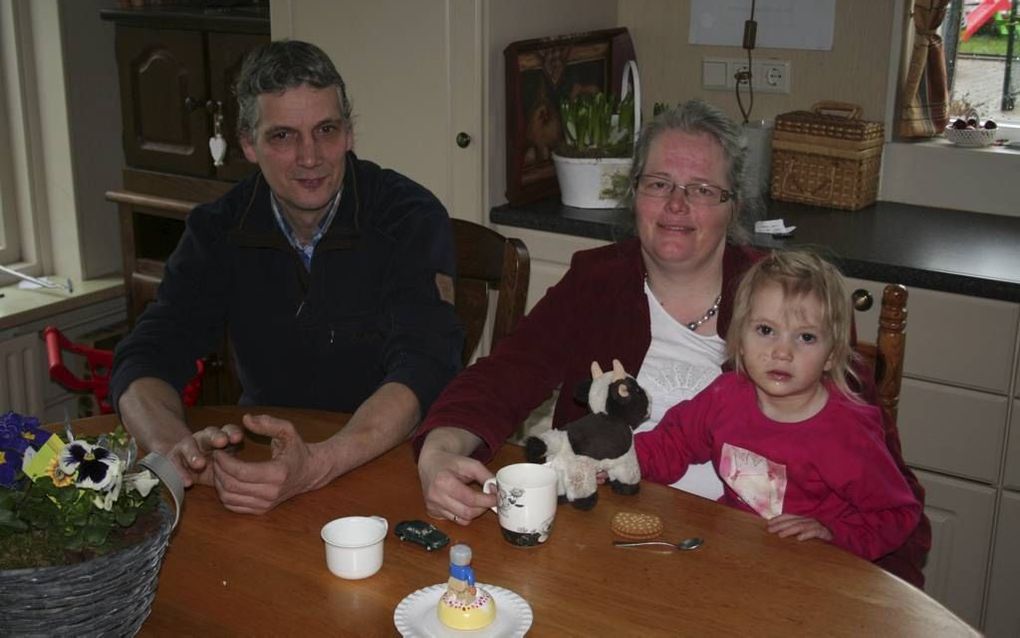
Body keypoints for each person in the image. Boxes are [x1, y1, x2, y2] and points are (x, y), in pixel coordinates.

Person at [110, 40, 463, 514]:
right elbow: (145, 357)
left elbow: (425, 365)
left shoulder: (408, 216)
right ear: (248, 145)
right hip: (265, 469)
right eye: (283, 136)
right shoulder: (218, 228)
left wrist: (319, 462)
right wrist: (180, 452)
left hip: (391, 468)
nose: (310, 157)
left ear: (350, 133)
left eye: (326, 130)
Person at [415, 99, 762, 521]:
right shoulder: (597, 280)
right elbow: (507, 373)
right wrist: (439, 449)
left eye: (703, 190)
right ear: (634, 193)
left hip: (741, 539)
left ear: (735, 205)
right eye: (658, 183)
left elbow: (846, 430)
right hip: (599, 529)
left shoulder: (783, 293)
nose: (676, 204)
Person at [635, 250, 922, 560]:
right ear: (740, 341)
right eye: (766, 330)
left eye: (806, 337)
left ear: (832, 355)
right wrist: (617, 461)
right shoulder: (725, 396)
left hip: (813, 570)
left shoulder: (846, 433)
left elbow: (897, 513)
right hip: (733, 554)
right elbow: (671, 444)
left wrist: (833, 532)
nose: (782, 351)